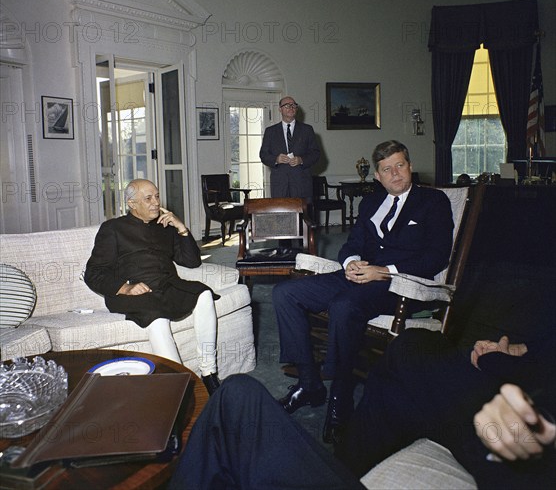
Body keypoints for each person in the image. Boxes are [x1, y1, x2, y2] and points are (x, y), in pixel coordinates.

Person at [168, 328, 556, 490]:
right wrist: (518, 353)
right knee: (409, 348)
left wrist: (500, 364)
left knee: (238, 399)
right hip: (523, 399)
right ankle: (347, 465)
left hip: (528, 443)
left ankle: (334, 407)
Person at [272, 139, 454, 443]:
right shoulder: (370, 203)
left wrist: (383, 271)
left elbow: (435, 257)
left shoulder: (432, 202)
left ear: (410, 167)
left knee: (344, 306)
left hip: (399, 284)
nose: (395, 174)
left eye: (400, 165)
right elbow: (352, 243)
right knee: (285, 293)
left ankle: (339, 396)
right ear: (378, 176)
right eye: (387, 169)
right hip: (358, 276)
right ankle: (309, 384)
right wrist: (352, 263)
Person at [84, 179, 221, 394]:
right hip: (133, 291)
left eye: (157, 196)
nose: (156, 203)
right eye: (148, 198)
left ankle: (209, 373)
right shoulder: (113, 229)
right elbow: (93, 273)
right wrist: (125, 288)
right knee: (156, 316)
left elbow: (192, 262)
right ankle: (181, 383)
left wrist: (181, 228)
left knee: (203, 293)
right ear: (131, 203)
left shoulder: (164, 227)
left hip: (166, 285)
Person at [259, 96, 321, 201]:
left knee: (303, 217)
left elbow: (315, 153)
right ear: (280, 109)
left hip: (302, 184)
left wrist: (301, 160)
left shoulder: (307, 130)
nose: (291, 107)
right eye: (287, 105)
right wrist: (276, 159)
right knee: (282, 216)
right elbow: (263, 155)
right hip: (279, 186)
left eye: (293, 105)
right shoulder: (270, 131)